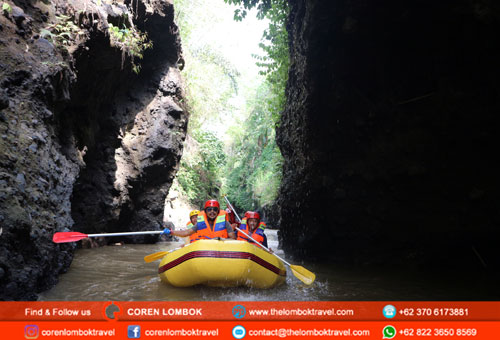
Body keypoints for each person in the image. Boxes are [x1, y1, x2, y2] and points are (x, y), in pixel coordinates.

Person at [162, 200, 236, 240]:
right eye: (209, 210)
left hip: (220, 249)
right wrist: (171, 232)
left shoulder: (225, 223)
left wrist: (221, 240)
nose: (212, 212)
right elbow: (186, 232)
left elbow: (233, 238)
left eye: (215, 209)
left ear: (218, 211)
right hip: (204, 250)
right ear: (205, 212)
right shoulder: (200, 224)